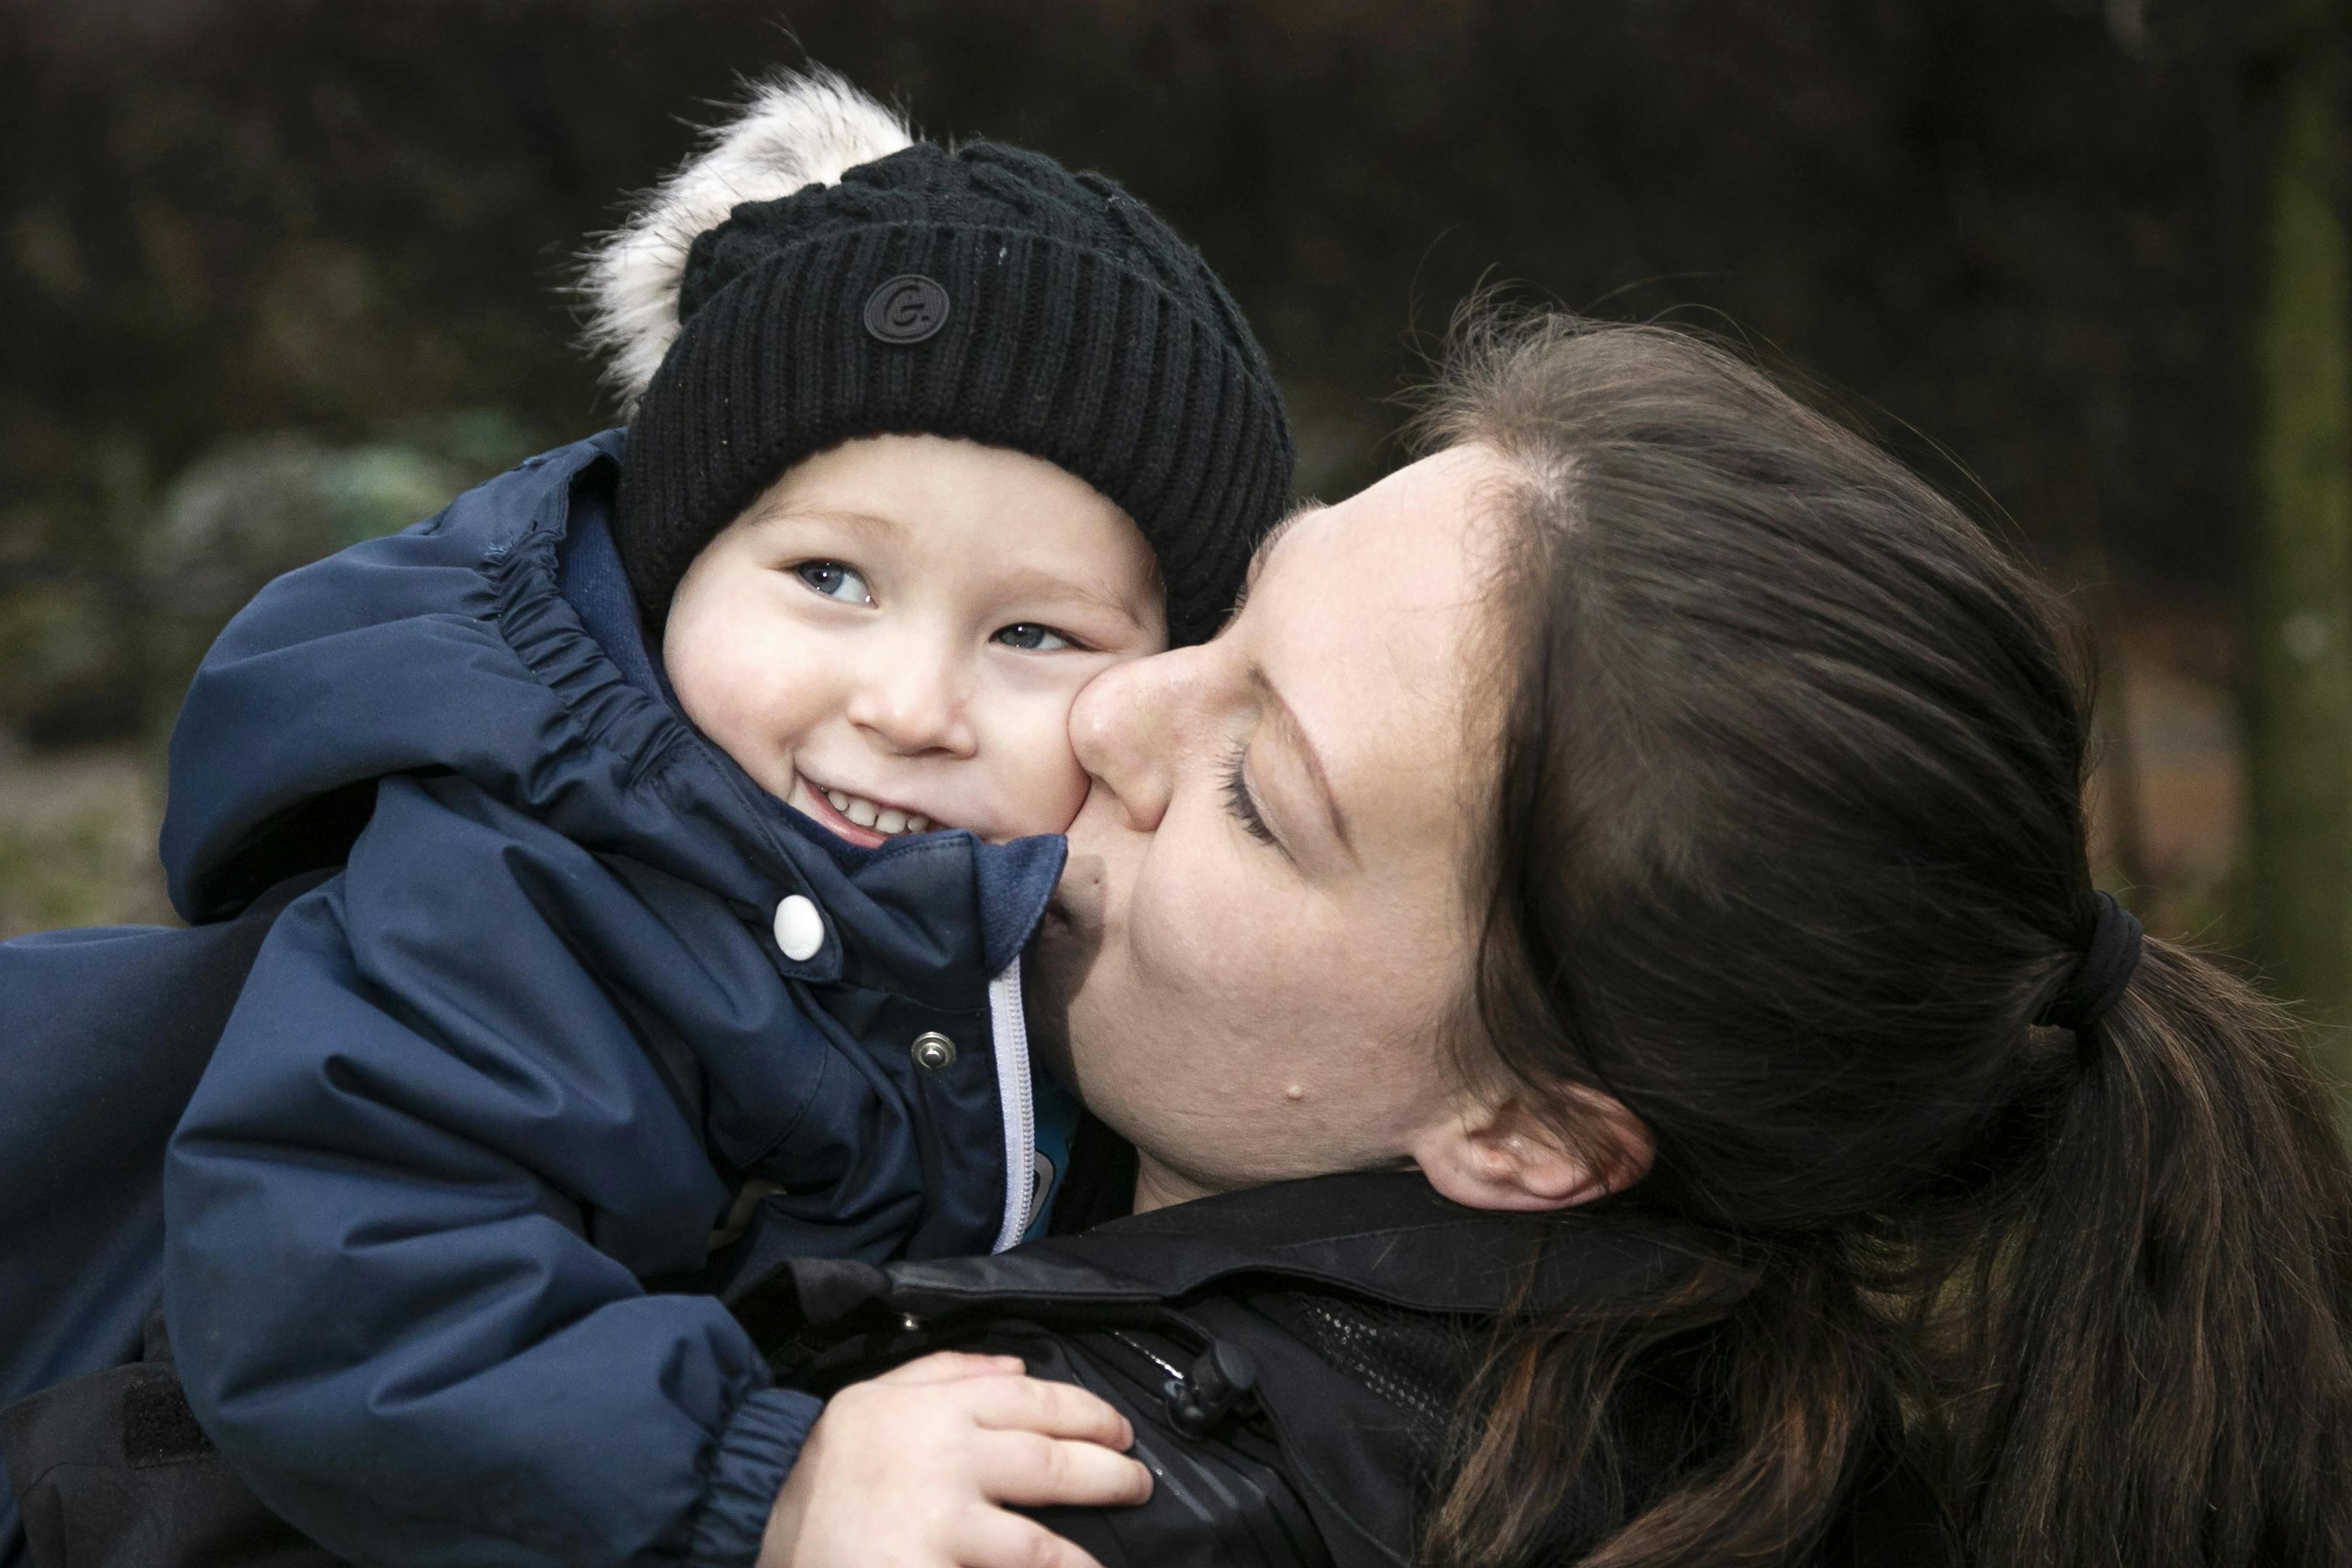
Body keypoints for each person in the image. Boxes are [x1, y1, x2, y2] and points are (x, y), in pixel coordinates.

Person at [751, 308, 2352, 1568]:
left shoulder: (1035, 1508)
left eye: (1257, 797)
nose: (1112, 710)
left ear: (1531, 1135)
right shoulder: (1739, 1439)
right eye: (1233, 615)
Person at [150, 67, 1296, 1568]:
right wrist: (767, 1478)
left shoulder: (1057, 934)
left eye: (1034, 635)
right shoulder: (526, 884)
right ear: (671, 565)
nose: (909, 706)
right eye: (831, 579)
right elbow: (335, 1286)